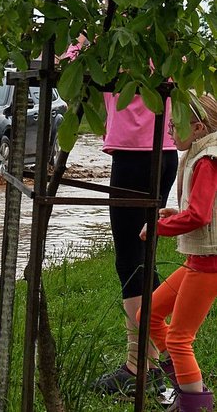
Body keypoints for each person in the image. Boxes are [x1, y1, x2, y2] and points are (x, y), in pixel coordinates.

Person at [63, 38, 180, 396]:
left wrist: (77, 42)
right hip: (165, 152)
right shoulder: (166, 32)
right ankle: (159, 356)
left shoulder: (106, 36)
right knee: (141, 254)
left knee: (130, 259)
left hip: (134, 157)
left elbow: (71, 71)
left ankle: (139, 365)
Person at [139, 92, 217, 412]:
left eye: (175, 125)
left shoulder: (206, 160)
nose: (170, 131)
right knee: (151, 314)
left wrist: (160, 228)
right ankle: (190, 388)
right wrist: (175, 213)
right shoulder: (199, 153)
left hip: (210, 264)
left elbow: (200, 215)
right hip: (197, 261)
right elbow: (200, 209)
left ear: (197, 128)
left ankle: (194, 405)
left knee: (178, 340)